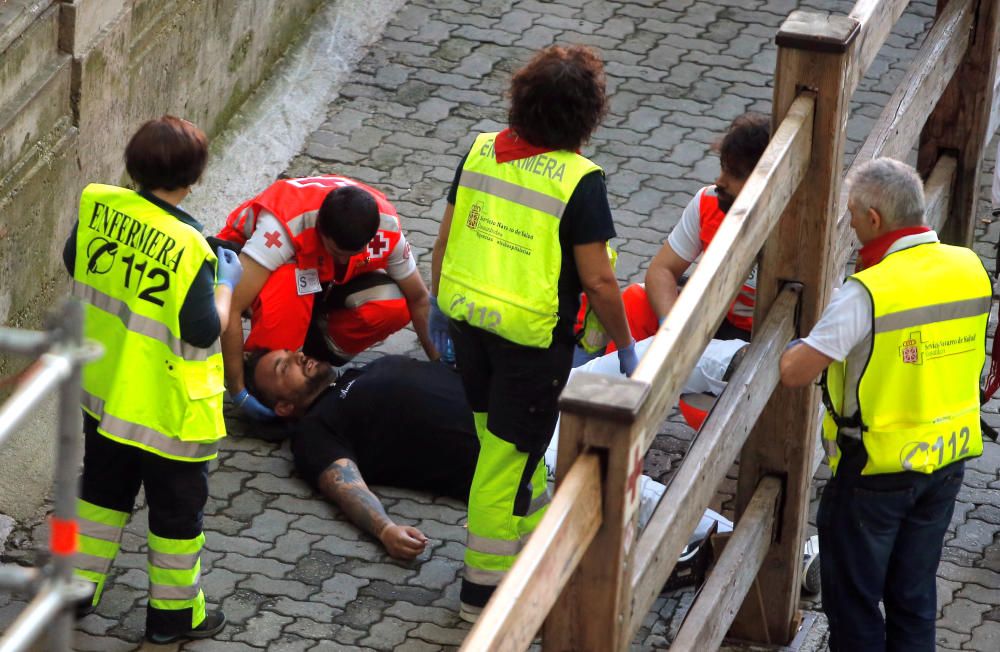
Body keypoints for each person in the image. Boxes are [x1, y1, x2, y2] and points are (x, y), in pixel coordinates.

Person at [429, 44, 638, 622]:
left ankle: (533, 550)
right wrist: (624, 343)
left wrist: (439, 306)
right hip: (531, 344)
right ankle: (484, 598)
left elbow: (445, 240)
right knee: (504, 461)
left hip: (471, 327)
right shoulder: (579, 180)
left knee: (507, 453)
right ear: (588, 116)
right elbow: (598, 279)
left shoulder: (478, 152)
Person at [244, 347, 742, 560]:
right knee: (640, 491)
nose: (298, 356)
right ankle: (737, 541)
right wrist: (385, 529)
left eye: (290, 352)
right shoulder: (313, 430)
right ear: (284, 405)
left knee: (650, 356)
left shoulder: (356, 374)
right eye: (283, 367)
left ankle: (744, 360)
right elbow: (341, 481)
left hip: (542, 397)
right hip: (521, 458)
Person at [780, 158, 991, 651]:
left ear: (874, 219)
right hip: (946, 459)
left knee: (854, 608)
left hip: (875, 472)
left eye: (852, 214)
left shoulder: (867, 293)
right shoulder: (969, 268)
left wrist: (794, 344)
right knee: (913, 596)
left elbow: (796, 372)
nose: (850, 225)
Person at [63, 116, 239, 644]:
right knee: (177, 517)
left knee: (98, 493)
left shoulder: (101, 206)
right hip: (168, 414)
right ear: (196, 177)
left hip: (107, 394)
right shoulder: (191, 250)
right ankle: (173, 617)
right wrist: (225, 285)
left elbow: (74, 260)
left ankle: (74, 587)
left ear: (132, 166)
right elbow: (205, 330)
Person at [215, 174, 439, 419]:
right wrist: (237, 389)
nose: (342, 259)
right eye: (335, 251)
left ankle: (312, 352)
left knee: (394, 304)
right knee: (293, 281)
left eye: (352, 253)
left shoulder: (386, 229)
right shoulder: (284, 227)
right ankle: (262, 373)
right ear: (320, 228)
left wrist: (441, 369)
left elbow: (419, 299)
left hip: (319, 282)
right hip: (255, 272)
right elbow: (232, 306)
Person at [621, 113, 771, 344]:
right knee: (635, 300)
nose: (720, 181)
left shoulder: (793, 230)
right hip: (716, 320)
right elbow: (662, 270)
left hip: (766, 336)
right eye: (723, 168)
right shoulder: (707, 202)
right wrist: (670, 330)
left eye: (735, 174)